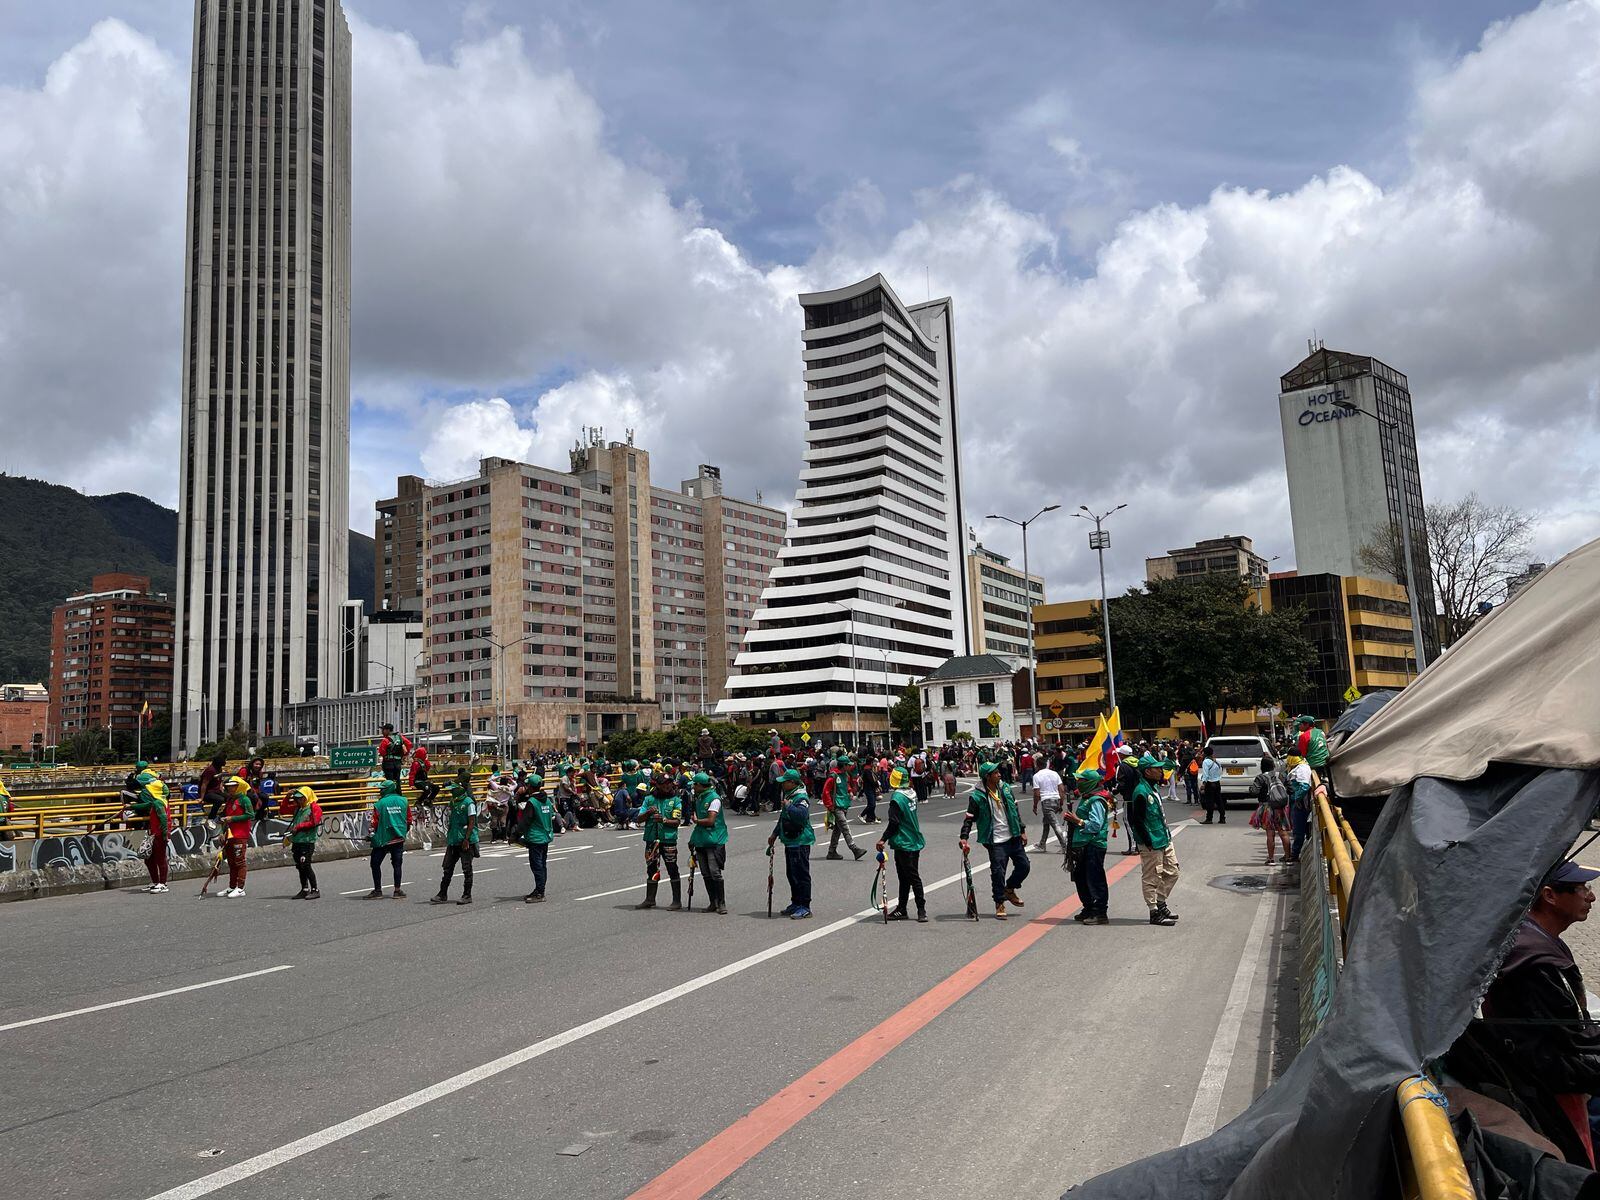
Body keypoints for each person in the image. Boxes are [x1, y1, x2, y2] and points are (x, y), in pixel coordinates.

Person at [1460, 861, 1600, 1168]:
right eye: (1581, 889)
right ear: (1550, 896)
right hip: (1546, 1087)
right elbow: (1561, 1050)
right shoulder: (1538, 964)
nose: (1591, 897)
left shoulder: (1529, 935)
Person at [961, 762, 1029, 920]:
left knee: (1024, 866)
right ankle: (999, 902)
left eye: (999, 771)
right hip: (995, 840)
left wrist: (1022, 830)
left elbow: (1015, 810)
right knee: (998, 872)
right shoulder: (977, 796)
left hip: (1013, 836)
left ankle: (1009, 888)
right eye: (995, 772)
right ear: (987, 776)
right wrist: (964, 837)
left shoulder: (1005, 788)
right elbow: (969, 819)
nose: (999, 774)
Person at [1128, 754, 1180, 926]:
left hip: (1164, 837)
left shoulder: (1153, 787)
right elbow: (1137, 820)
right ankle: (1154, 911)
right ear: (1147, 771)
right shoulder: (1141, 792)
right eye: (1157, 768)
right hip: (1151, 842)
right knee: (1151, 877)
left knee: (1173, 871)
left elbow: (1171, 764)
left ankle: (1161, 902)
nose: (1161, 771)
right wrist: (1147, 841)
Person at [876, 766, 926, 922]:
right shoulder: (912, 793)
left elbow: (894, 822)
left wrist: (883, 839)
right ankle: (902, 908)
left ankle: (921, 909)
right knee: (905, 877)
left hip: (904, 842)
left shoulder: (897, 798)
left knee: (912, 877)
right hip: (914, 839)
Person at [1063, 768, 1110, 924]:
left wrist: (1078, 821)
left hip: (1093, 844)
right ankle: (1088, 908)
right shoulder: (1087, 798)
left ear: (1090, 783)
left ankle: (1100, 912)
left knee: (1095, 878)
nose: (1078, 783)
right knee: (1080, 878)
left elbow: (1096, 825)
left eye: (1082, 780)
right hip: (1082, 844)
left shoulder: (1096, 800)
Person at [768, 769, 815, 919]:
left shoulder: (801, 798)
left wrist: (789, 806)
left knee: (801, 874)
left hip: (800, 841)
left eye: (785, 782)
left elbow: (801, 816)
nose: (782, 784)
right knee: (792, 874)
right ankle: (796, 902)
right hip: (790, 840)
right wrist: (774, 834)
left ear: (793, 782)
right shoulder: (790, 796)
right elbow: (783, 818)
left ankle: (805, 906)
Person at [636, 774, 684, 910]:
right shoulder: (649, 799)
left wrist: (664, 820)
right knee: (651, 869)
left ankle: (677, 901)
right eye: (664, 783)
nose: (667, 786)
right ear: (657, 785)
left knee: (672, 868)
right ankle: (650, 899)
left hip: (668, 839)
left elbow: (677, 822)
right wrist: (648, 813)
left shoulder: (675, 800)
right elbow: (639, 819)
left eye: (669, 783)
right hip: (651, 839)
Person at [432, 770, 479, 905]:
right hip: (453, 839)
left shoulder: (469, 802)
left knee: (466, 868)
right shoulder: (453, 802)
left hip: (465, 840)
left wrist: (466, 839)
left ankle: (467, 895)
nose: (452, 791)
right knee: (447, 868)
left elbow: (472, 822)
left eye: (454, 789)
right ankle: (442, 893)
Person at [687, 771, 729, 915]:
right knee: (705, 873)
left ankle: (721, 903)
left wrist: (697, 820)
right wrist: (693, 839)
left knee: (715, 872)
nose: (693, 787)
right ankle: (713, 902)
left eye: (694, 785)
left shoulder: (714, 798)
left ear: (700, 785)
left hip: (715, 839)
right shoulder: (698, 798)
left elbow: (711, 820)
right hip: (701, 839)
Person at [126, 763, 171, 894]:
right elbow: (145, 805)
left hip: (159, 834)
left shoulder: (158, 803)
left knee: (160, 859)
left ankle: (163, 883)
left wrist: (165, 834)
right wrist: (131, 807)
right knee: (149, 859)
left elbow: (163, 819)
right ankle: (155, 882)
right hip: (154, 833)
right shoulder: (156, 801)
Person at [511, 773, 554, 903]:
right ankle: (539, 889)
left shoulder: (532, 802)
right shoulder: (547, 800)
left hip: (535, 838)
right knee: (542, 865)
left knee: (537, 866)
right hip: (545, 836)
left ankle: (540, 892)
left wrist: (515, 835)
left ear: (530, 786)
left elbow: (525, 822)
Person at [367, 777, 410, 899]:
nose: (380, 791)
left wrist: (371, 835)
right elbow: (409, 820)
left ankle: (378, 890)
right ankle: (397, 890)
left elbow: (374, 823)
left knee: (375, 863)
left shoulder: (380, 804)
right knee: (397, 864)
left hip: (383, 839)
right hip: (399, 838)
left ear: (388, 789)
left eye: (382, 789)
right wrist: (402, 833)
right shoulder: (404, 801)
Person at [823, 756, 866, 861]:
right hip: (836, 806)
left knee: (838, 829)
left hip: (844, 804)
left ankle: (832, 851)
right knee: (845, 827)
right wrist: (830, 805)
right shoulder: (833, 776)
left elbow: (846, 786)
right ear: (844, 765)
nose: (850, 767)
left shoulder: (845, 775)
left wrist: (850, 791)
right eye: (848, 765)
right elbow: (826, 791)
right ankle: (854, 849)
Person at [219, 773, 254, 898]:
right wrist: (222, 832)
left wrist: (232, 818)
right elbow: (226, 817)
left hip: (240, 834)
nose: (230, 788)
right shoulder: (230, 800)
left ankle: (240, 888)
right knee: (231, 861)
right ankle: (232, 886)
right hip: (229, 834)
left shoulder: (245, 799)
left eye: (233, 786)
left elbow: (250, 815)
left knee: (239, 861)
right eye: (228, 786)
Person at [1251, 755, 1290, 866]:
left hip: (1267, 808)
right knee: (1283, 833)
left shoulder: (1260, 778)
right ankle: (1288, 858)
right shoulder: (1281, 775)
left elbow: (1254, 791)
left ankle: (1271, 859)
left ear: (1262, 766)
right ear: (1273, 765)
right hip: (1280, 808)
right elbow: (1291, 789)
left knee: (1270, 834)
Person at [288, 785, 322, 899]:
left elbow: (314, 822)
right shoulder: (298, 808)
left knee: (306, 865)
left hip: (307, 841)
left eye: (301, 798)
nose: (299, 800)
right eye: (297, 798)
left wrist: (299, 827)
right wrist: (287, 797)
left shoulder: (314, 808)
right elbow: (283, 810)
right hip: (297, 841)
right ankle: (304, 889)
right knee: (300, 866)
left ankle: (315, 889)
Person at [1030, 756, 1070, 855]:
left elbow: (1036, 793)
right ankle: (1042, 843)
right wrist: (1061, 802)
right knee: (1046, 822)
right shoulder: (1054, 773)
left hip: (1046, 802)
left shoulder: (1036, 776)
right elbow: (1061, 789)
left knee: (1055, 824)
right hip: (1056, 800)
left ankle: (1064, 846)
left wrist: (1035, 806)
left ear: (1037, 765)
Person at [1286, 754, 1314, 862]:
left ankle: (1294, 854)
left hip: (1300, 803)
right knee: (1298, 828)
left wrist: (1297, 798)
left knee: (1298, 830)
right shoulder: (1300, 767)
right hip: (1297, 801)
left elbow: (1304, 786)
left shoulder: (1302, 769)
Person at [199, 753, 229, 823]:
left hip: (216, 791)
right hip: (208, 793)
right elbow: (204, 784)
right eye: (225, 760)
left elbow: (220, 781)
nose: (225, 762)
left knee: (230, 798)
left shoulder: (219, 769)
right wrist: (201, 798)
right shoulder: (210, 770)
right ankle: (211, 818)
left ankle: (222, 815)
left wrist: (222, 791)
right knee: (220, 799)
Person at [1199, 745, 1224, 824]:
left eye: (1203, 753)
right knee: (1219, 801)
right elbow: (1220, 771)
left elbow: (1205, 774)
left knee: (1209, 802)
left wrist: (1203, 784)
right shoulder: (1217, 761)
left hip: (1210, 783)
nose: (1202, 754)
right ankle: (1222, 818)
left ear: (1205, 754)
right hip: (1217, 783)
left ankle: (1209, 819)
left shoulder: (1206, 762)